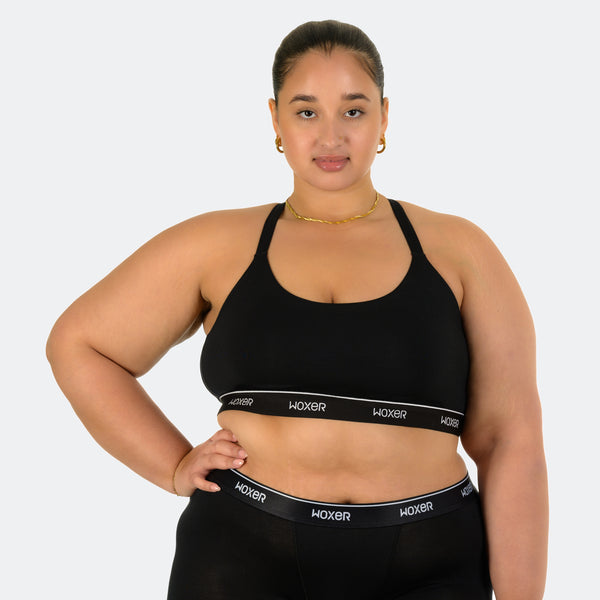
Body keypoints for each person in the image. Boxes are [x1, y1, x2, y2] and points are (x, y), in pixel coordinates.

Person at [46, 20, 548, 599]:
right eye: (307, 111)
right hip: (242, 550)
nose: (331, 136)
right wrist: (174, 464)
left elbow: (510, 438)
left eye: (353, 110)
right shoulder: (215, 244)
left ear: (384, 118)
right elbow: (79, 345)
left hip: (429, 558)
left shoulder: (461, 250)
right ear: (276, 121)